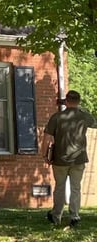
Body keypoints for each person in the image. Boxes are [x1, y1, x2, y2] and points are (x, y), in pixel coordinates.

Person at [39, 90, 96, 227]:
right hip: (79, 158)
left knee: (59, 187)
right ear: (79, 101)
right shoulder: (84, 116)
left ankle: (56, 215)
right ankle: (74, 216)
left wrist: (44, 155)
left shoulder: (57, 117)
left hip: (60, 159)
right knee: (76, 188)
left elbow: (46, 138)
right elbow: (94, 124)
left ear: (66, 101)